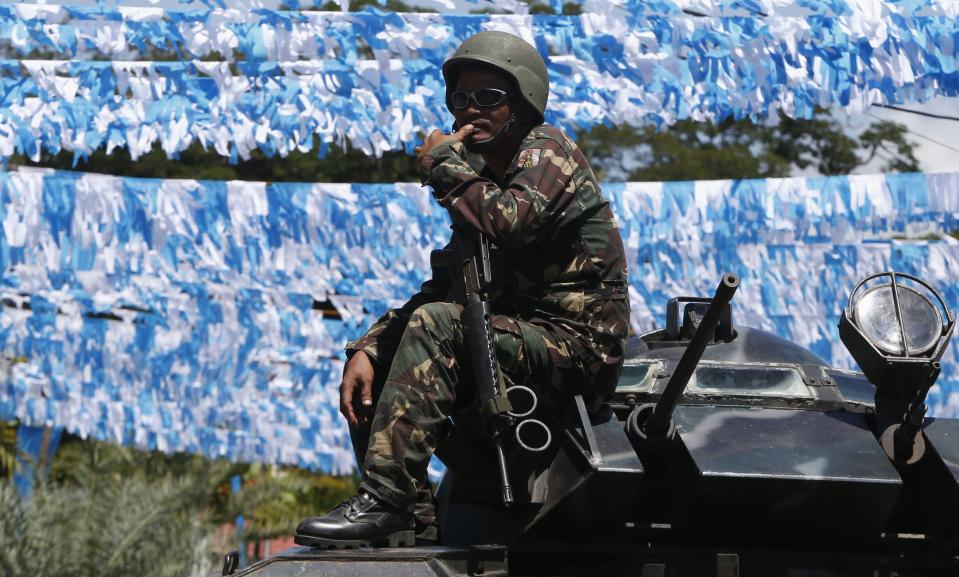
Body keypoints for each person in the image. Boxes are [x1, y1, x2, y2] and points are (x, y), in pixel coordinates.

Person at [294, 30, 629, 549]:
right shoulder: (476, 186)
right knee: (393, 345)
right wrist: (369, 347)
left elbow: (512, 222)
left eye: (488, 98)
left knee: (438, 327)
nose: (470, 109)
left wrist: (440, 165)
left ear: (522, 104)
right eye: (460, 99)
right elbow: (448, 285)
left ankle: (387, 498)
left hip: (577, 346)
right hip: (510, 339)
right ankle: (409, 515)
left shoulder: (548, 151)